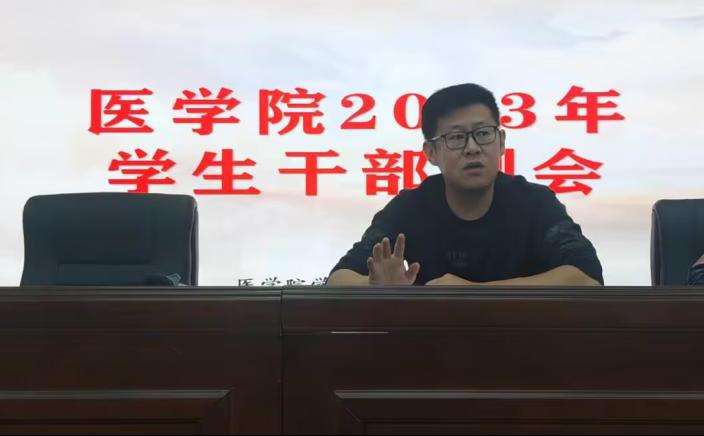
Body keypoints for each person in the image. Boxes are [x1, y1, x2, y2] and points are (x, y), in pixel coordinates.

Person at [326, 83, 603, 286]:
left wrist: (471, 294)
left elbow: (586, 277)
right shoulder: (411, 207)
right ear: (431, 153)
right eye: (456, 138)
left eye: (483, 134)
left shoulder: (534, 202)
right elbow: (338, 279)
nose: (472, 148)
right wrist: (377, 286)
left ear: (501, 142)